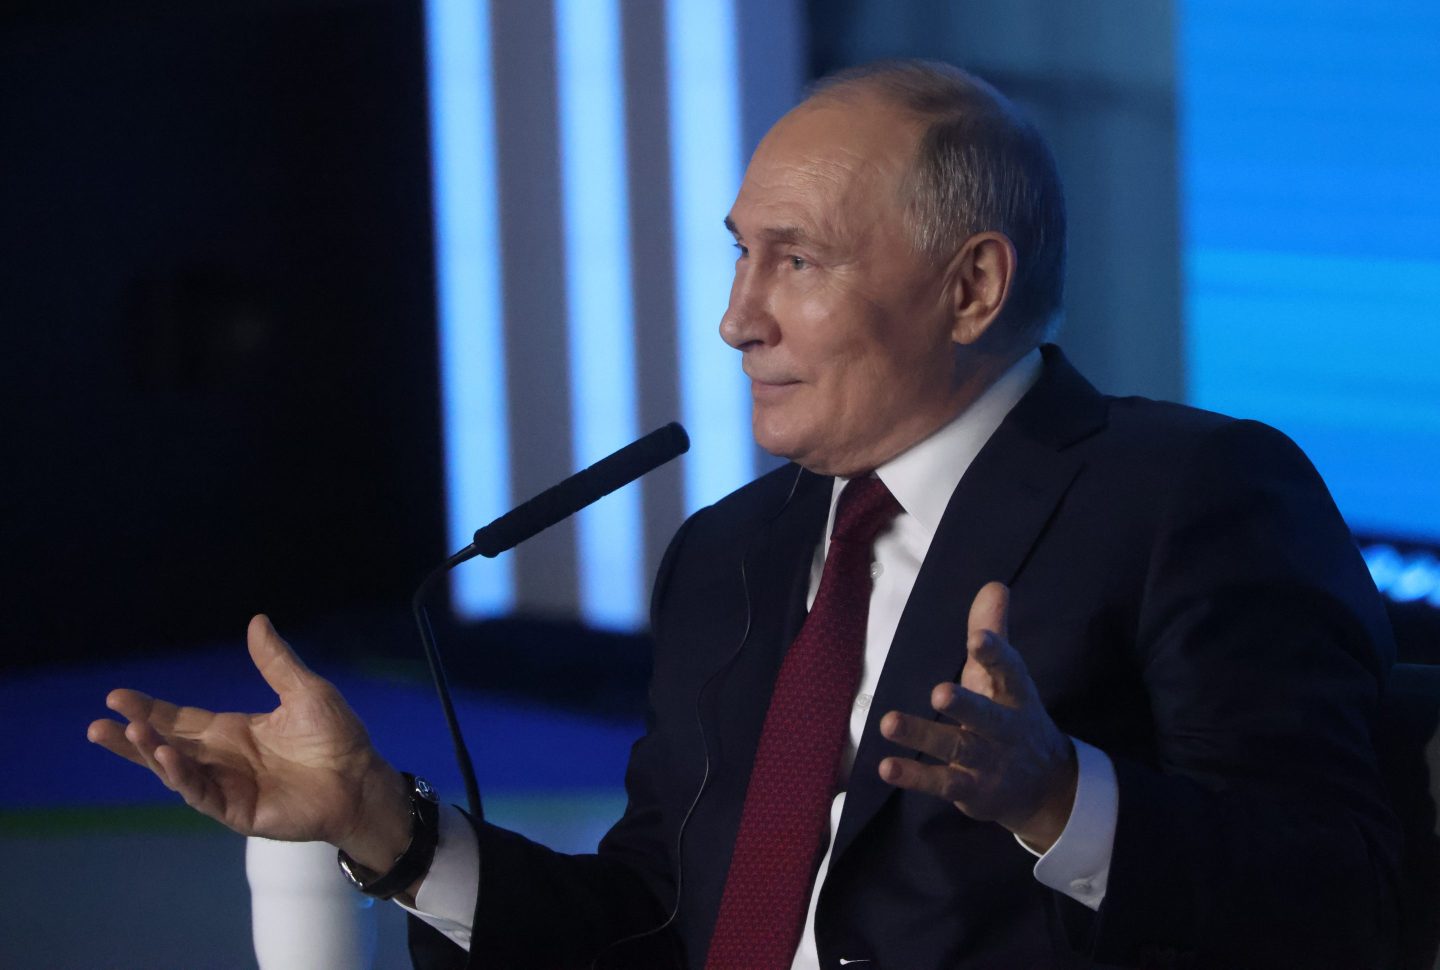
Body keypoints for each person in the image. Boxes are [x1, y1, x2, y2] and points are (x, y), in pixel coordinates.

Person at [88, 60, 1400, 968]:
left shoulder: (1189, 493)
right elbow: (653, 923)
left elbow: (1350, 895)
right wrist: (385, 822)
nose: (735, 319)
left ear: (973, 287)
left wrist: (1065, 799)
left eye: (798, 260)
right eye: (739, 252)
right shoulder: (729, 553)